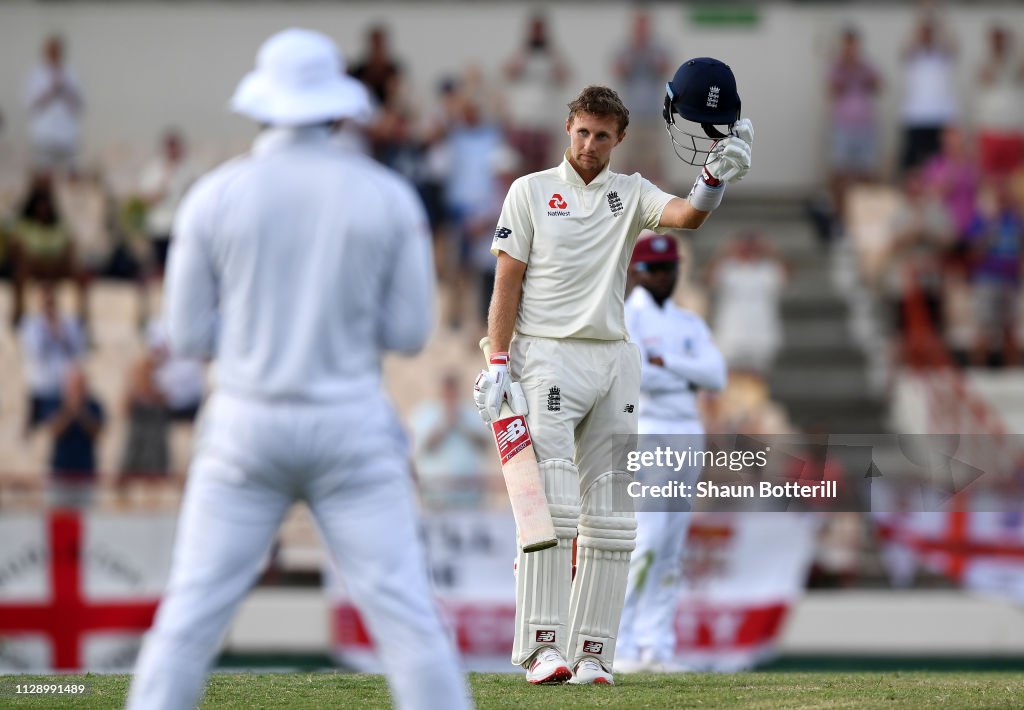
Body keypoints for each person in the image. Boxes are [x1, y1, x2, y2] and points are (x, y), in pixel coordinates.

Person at [126, 29, 471, 710]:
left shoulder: (212, 197)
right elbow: (407, 334)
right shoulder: (386, 195)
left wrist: (259, 330)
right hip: (349, 424)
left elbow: (191, 336)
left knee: (187, 624)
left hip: (245, 426)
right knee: (409, 625)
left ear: (260, 106)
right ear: (338, 110)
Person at [473, 59, 753, 685]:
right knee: (553, 510)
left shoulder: (630, 192)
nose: (590, 145)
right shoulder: (529, 190)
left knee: (614, 516)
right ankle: (541, 648)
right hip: (548, 353)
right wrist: (497, 359)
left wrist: (715, 177)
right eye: (581, 132)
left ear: (618, 138)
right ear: (566, 128)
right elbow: (506, 281)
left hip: (613, 358)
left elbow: (687, 217)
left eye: (602, 136)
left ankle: (593, 651)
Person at [616, 232, 726, 672]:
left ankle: (656, 645)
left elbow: (716, 375)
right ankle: (620, 643)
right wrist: (685, 373)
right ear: (638, 272)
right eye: (655, 269)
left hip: (687, 432)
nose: (664, 277)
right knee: (647, 539)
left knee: (672, 545)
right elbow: (638, 373)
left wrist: (670, 366)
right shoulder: (628, 317)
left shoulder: (689, 322)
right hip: (649, 430)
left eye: (670, 268)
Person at [24, 35, 84, 175]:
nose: (54, 54)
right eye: (51, 51)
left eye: (57, 50)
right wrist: (51, 90)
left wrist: (65, 88)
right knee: (44, 171)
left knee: (71, 171)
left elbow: (80, 103)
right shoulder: (36, 73)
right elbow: (29, 103)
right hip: (44, 131)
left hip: (67, 132)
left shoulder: (71, 72)